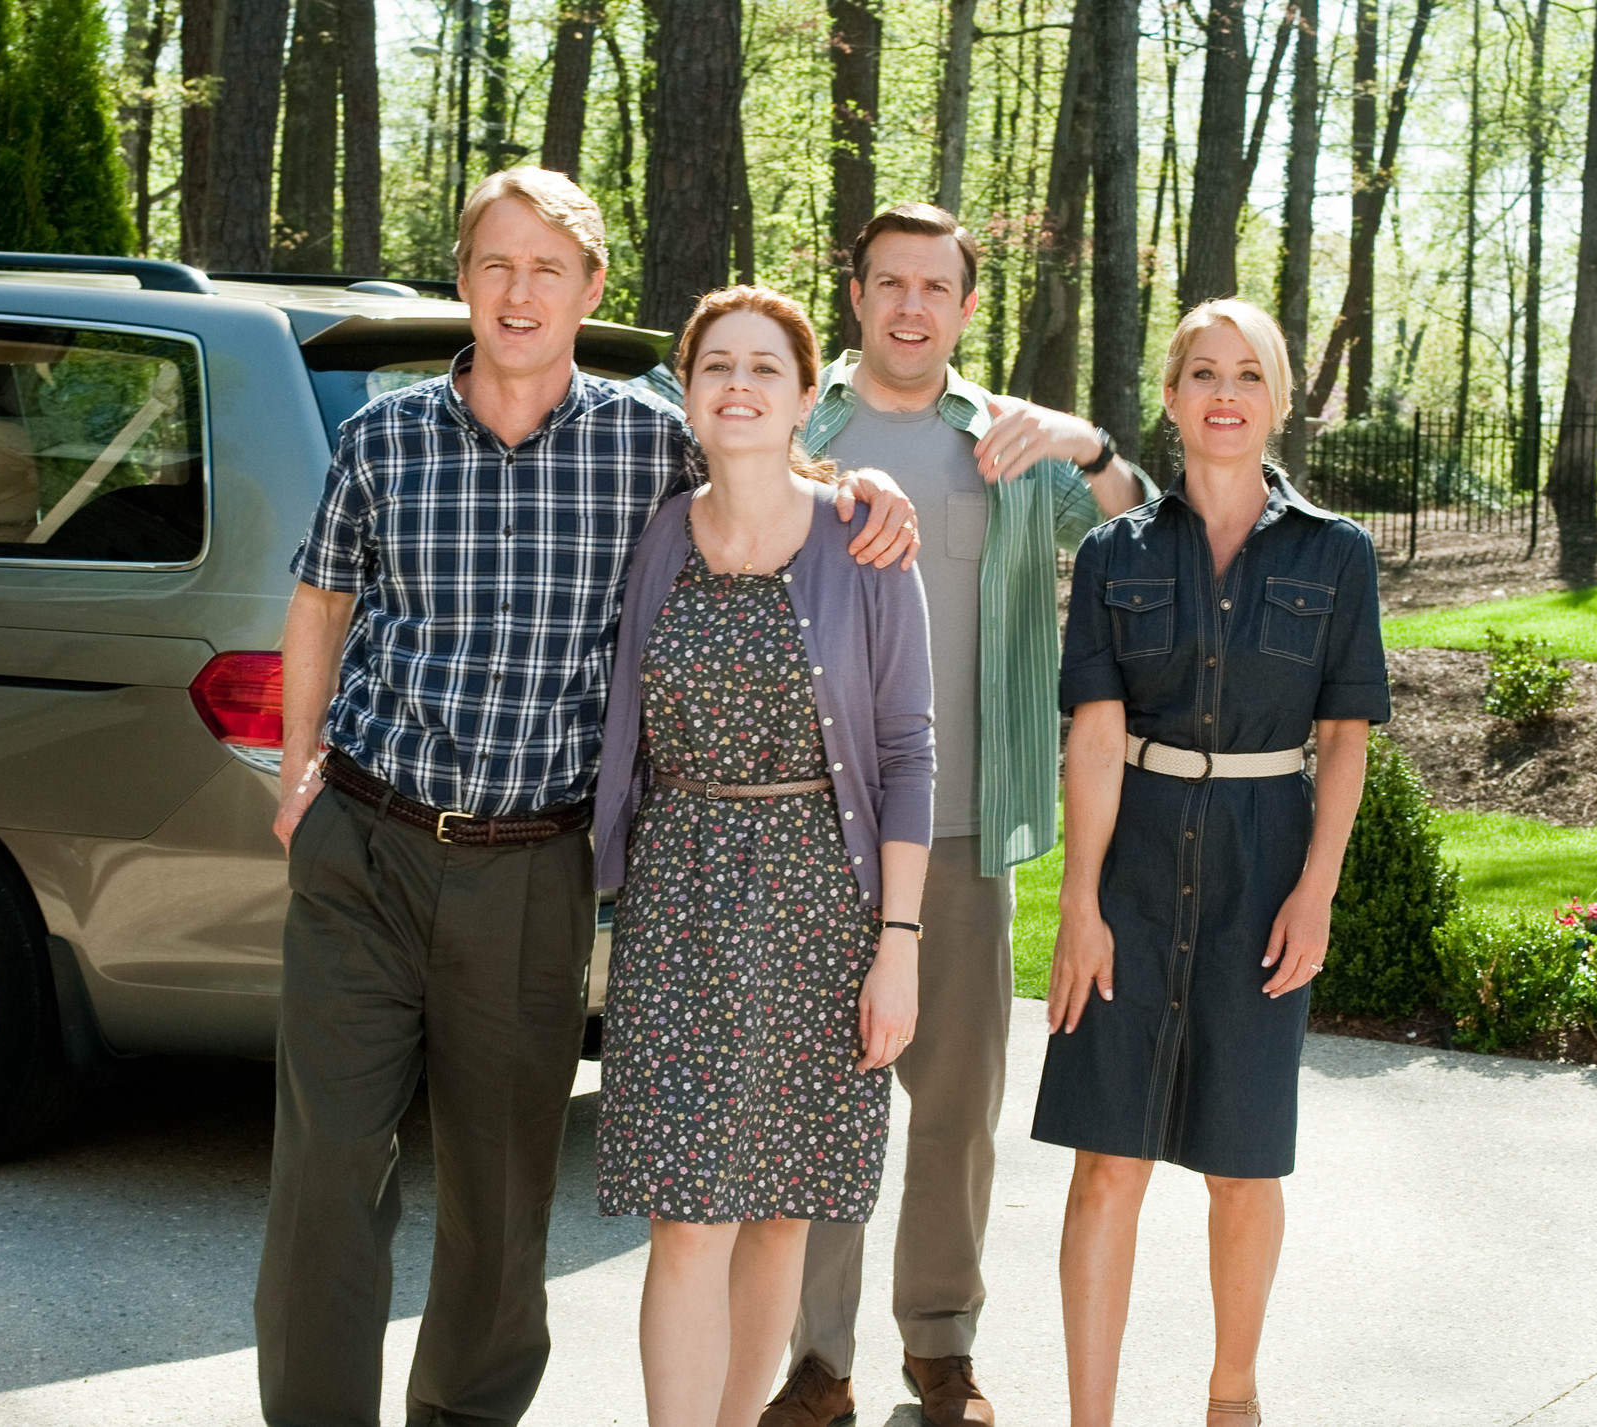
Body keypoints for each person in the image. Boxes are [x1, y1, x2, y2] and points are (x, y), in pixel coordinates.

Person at [257, 168, 918, 1427]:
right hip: (365, 848)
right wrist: (299, 767)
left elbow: (757, 456)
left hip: (528, 865)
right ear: (462, 278)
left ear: (590, 290)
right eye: (496, 264)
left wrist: (858, 491)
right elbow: (319, 602)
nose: (518, 292)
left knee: (503, 1196)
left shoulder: (641, 443)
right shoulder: (380, 439)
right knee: (326, 1170)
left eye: (546, 269)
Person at [766, 202, 1154, 1427]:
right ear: (857, 293)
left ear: (965, 305)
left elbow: (1143, 524)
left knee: (954, 1104)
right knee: (816, 1101)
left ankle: (939, 1345)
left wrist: (1086, 440)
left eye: (935, 287)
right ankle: (814, 1361)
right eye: (890, 283)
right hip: (810, 822)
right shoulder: (795, 418)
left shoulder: (1009, 440)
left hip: (964, 827)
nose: (911, 307)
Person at [1033, 299, 1391, 1427]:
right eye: (1201, 372)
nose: (1223, 392)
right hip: (1131, 866)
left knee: (1243, 1162)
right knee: (1105, 1162)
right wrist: (1077, 907)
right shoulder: (1109, 553)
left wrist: (1316, 890)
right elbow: (1092, 737)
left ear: (1277, 398)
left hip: (1260, 869)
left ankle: (1228, 1397)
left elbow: (1343, 736)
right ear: (1173, 396)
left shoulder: (1335, 554)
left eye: (1246, 373)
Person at [592, 285, 934, 1427]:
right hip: (676, 893)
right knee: (687, 1210)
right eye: (715, 367)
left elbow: (904, 753)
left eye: (763, 369)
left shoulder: (864, 540)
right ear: (687, 392)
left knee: (782, 1204)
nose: (737, 386)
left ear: (802, 399)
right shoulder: (654, 533)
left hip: (820, 901)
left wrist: (898, 944)